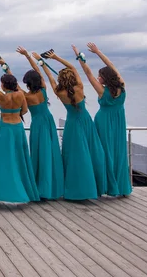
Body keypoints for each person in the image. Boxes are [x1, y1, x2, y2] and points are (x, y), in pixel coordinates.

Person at [35, 48, 108, 200]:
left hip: (72, 125)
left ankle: (74, 188)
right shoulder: (79, 87)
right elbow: (74, 68)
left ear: (61, 80)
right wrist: (55, 57)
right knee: (92, 153)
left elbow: (50, 77)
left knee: (74, 157)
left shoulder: (59, 92)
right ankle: (95, 187)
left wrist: (42, 65)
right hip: (86, 122)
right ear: (72, 78)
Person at [0, 47, 64, 200]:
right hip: (49, 121)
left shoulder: (27, 96)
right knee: (51, 153)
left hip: (38, 125)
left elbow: (14, 85)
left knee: (39, 154)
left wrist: (5, 66)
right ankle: (53, 187)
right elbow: (39, 72)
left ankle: (40, 187)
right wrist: (28, 56)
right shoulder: (43, 90)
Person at [0, 57, 39, 203]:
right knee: (20, 160)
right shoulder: (21, 94)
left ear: (4, 85)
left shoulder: (2, 97)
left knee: (2, 161)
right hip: (18, 128)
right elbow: (25, 110)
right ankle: (23, 190)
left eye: (2, 83)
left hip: (5, 129)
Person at [75, 43, 131, 196]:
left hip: (104, 122)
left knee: (103, 152)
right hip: (119, 122)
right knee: (118, 152)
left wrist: (79, 57)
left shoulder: (102, 91)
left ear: (105, 78)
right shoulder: (123, 87)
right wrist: (98, 52)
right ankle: (119, 187)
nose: (98, 77)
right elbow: (111, 65)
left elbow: (88, 73)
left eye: (100, 76)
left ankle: (105, 186)